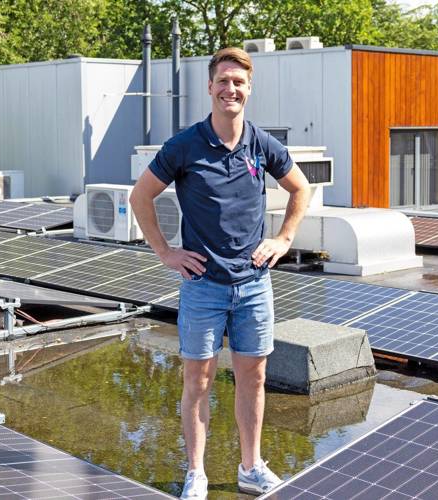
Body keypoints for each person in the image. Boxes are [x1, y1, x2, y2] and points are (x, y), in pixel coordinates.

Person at [130, 47, 311, 499]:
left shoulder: (261, 144)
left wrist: (283, 239)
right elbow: (140, 196)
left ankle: (251, 467)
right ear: (209, 88)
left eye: (239, 82)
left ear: (249, 90)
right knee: (200, 381)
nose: (231, 89)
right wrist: (165, 252)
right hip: (202, 288)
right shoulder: (185, 146)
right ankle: (196, 473)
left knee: (254, 377)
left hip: (254, 285)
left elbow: (300, 188)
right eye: (223, 81)